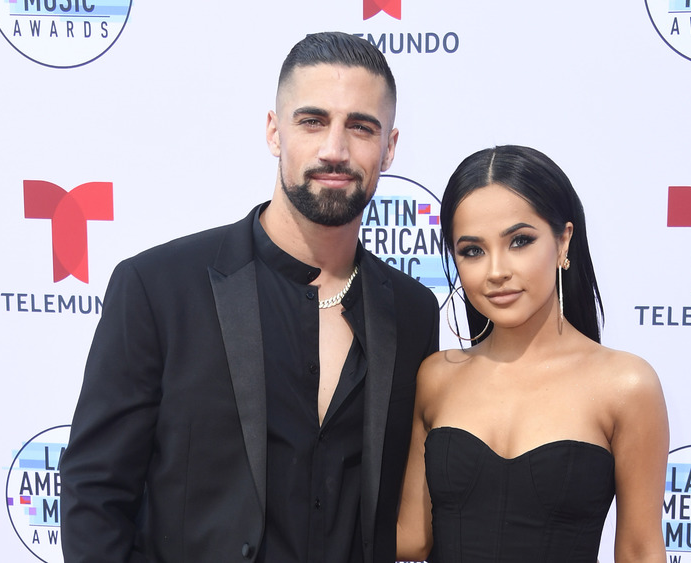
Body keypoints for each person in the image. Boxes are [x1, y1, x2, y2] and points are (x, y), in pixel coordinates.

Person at [60, 32, 439, 563]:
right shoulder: (159, 288)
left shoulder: (414, 310)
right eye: (312, 121)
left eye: (360, 126)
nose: (335, 149)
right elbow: (94, 493)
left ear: (389, 146)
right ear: (274, 132)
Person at [396, 145, 669, 562]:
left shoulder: (625, 386)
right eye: (472, 250)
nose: (496, 271)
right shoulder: (437, 377)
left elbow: (638, 551)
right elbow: (412, 537)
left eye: (520, 241)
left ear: (563, 242)